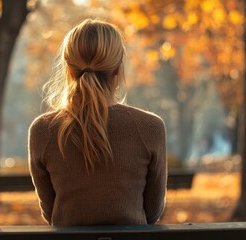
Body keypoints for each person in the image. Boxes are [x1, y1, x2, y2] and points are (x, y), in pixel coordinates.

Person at [28, 18, 167, 225]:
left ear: (69, 69)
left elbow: (51, 212)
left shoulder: (43, 131)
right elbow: (154, 212)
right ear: (118, 70)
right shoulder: (150, 128)